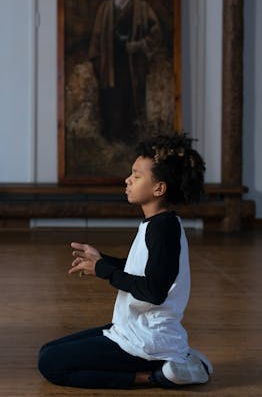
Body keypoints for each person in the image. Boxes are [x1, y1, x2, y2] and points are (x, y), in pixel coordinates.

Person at [38, 133, 213, 389]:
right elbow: (142, 271)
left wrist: (103, 270)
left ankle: (156, 375)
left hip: (145, 340)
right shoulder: (158, 223)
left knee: (50, 363)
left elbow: (153, 291)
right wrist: (101, 260)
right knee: (49, 349)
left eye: (136, 175)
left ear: (159, 188)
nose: (128, 180)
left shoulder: (163, 229)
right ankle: (177, 362)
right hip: (132, 328)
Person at [87, 0, 163, 143]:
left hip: (133, 67)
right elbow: (96, 39)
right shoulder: (105, 8)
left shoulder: (143, 8)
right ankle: (111, 142)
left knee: (132, 103)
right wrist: (97, 62)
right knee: (110, 102)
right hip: (110, 66)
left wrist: (137, 46)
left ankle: (132, 143)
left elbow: (156, 34)